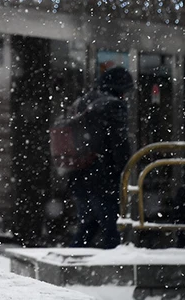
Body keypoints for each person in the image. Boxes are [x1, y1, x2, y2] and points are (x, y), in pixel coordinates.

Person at [67, 66, 134, 249]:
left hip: (80, 174)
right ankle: (117, 272)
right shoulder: (113, 105)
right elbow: (119, 143)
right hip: (103, 176)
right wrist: (126, 168)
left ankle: (70, 266)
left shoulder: (82, 102)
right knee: (112, 229)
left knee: (88, 225)